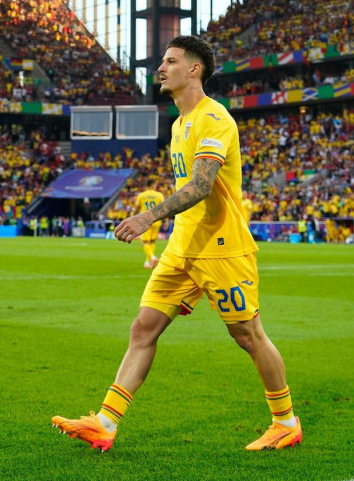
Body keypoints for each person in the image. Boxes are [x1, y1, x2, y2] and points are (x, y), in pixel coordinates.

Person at [52, 35, 301, 452]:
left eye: (170, 61)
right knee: (144, 327)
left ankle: (285, 421)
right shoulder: (178, 124)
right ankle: (106, 423)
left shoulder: (214, 119)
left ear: (194, 69)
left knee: (248, 334)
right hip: (182, 245)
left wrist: (148, 216)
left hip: (221, 245)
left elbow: (203, 185)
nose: (160, 68)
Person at [134, 178, 165, 268]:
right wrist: (165, 220)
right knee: (152, 242)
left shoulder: (141, 195)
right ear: (153, 185)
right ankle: (147, 262)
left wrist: (133, 217)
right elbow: (163, 208)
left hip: (145, 221)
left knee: (144, 242)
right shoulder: (159, 195)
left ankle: (152, 257)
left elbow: (137, 208)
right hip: (156, 220)